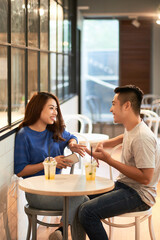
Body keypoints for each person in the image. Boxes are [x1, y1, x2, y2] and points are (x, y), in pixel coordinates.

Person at [78, 85, 160, 240]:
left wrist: (108, 160)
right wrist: (104, 143)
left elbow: (146, 178)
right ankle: (62, 233)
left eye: (114, 104)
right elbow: (125, 137)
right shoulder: (133, 128)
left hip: (139, 195)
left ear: (127, 105)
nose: (110, 109)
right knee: (78, 196)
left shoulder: (143, 137)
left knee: (87, 212)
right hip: (125, 186)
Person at [14, 92, 88, 240]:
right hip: (37, 193)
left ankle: (60, 232)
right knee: (82, 200)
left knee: (83, 200)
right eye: (51, 108)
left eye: (56, 109)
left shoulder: (55, 130)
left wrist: (72, 144)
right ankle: (61, 231)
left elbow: (71, 136)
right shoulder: (24, 135)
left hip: (57, 188)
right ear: (38, 109)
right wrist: (49, 163)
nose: (55, 112)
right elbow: (20, 171)